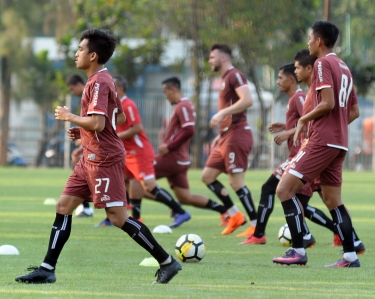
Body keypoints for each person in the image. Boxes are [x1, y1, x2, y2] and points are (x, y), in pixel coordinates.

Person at [15, 29, 181, 284]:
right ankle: (47, 269)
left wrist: (71, 117)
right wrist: (83, 130)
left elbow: (100, 124)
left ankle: (167, 262)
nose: (76, 54)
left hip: (103, 160)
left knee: (118, 218)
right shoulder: (104, 80)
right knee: (63, 206)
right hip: (89, 158)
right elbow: (119, 118)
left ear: (92, 55)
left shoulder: (99, 83)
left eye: (80, 50)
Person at [273, 21, 362, 267]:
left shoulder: (322, 63)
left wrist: (304, 119)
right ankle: (350, 256)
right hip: (339, 143)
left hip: (322, 141)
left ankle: (298, 250)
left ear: (319, 41)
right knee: (333, 200)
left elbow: (329, 103)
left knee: (283, 189)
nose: (308, 43)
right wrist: (338, 128)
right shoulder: (344, 67)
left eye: (310, 38)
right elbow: (353, 110)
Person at [240, 62, 336, 246]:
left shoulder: (299, 98)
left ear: (291, 79)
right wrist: (285, 126)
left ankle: (259, 234)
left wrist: (287, 133)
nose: (277, 82)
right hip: (297, 155)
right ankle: (326, 233)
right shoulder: (295, 99)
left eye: (280, 78)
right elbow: (301, 122)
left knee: (270, 189)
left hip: (299, 156)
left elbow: (309, 123)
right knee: (301, 203)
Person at [96, 75, 191, 228]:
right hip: (127, 153)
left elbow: (137, 128)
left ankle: (180, 211)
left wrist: (114, 137)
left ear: (119, 89)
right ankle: (133, 218)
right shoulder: (114, 107)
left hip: (138, 151)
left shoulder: (128, 104)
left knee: (149, 186)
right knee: (124, 182)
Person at [145, 77, 229, 221]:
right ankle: (225, 211)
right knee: (185, 197)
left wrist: (169, 146)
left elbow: (189, 129)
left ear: (173, 90)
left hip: (172, 158)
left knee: (137, 180)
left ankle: (171, 211)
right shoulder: (184, 105)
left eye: (166, 92)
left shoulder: (182, 106)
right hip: (180, 160)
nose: (166, 96)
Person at [202, 43, 257, 236]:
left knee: (236, 182)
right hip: (226, 136)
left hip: (237, 135)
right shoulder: (225, 78)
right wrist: (221, 133)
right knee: (207, 176)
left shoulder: (235, 75)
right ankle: (235, 215)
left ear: (223, 58)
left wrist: (221, 113)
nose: (210, 61)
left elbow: (248, 100)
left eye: (212, 57)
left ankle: (256, 226)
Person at [66, 74, 93, 217]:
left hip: (103, 148)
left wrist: (69, 116)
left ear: (78, 85)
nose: (72, 92)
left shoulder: (91, 94)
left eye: (72, 89)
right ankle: (85, 207)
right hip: (93, 144)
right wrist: (82, 135)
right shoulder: (86, 97)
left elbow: (97, 123)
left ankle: (86, 207)